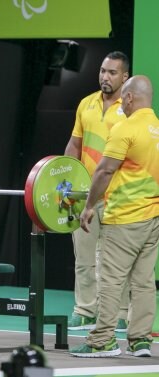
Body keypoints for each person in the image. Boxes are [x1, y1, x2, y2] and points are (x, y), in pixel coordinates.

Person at [70, 75, 159, 358]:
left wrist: (88, 207)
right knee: (144, 281)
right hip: (152, 219)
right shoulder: (157, 128)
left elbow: (104, 171)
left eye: (125, 99)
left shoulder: (125, 128)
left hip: (123, 218)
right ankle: (140, 340)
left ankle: (102, 340)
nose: (123, 103)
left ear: (130, 97)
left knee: (109, 279)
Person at [64, 51, 130, 331]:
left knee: (114, 261)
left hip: (117, 195)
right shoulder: (86, 104)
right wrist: (66, 177)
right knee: (85, 259)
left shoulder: (130, 109)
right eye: (103, 71)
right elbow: (74, 145)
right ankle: (85, 310)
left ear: (124, 77)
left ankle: (120, 313)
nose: (105, 76)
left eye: (112, 72)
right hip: (85, 195)